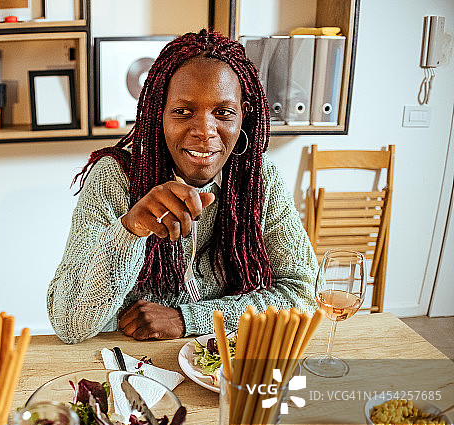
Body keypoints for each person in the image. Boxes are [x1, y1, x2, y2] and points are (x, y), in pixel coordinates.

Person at [47, 29, 317, 344]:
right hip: (131, 365)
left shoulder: (261, 179)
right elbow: (68, 324)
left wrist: (188, 319)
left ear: (245, 113)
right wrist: (129, 230)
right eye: (182, 112)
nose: (204, 131)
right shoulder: (114, 178)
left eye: (223, 113)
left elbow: (303, 296)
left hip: (220, 368)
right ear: (158, 113)